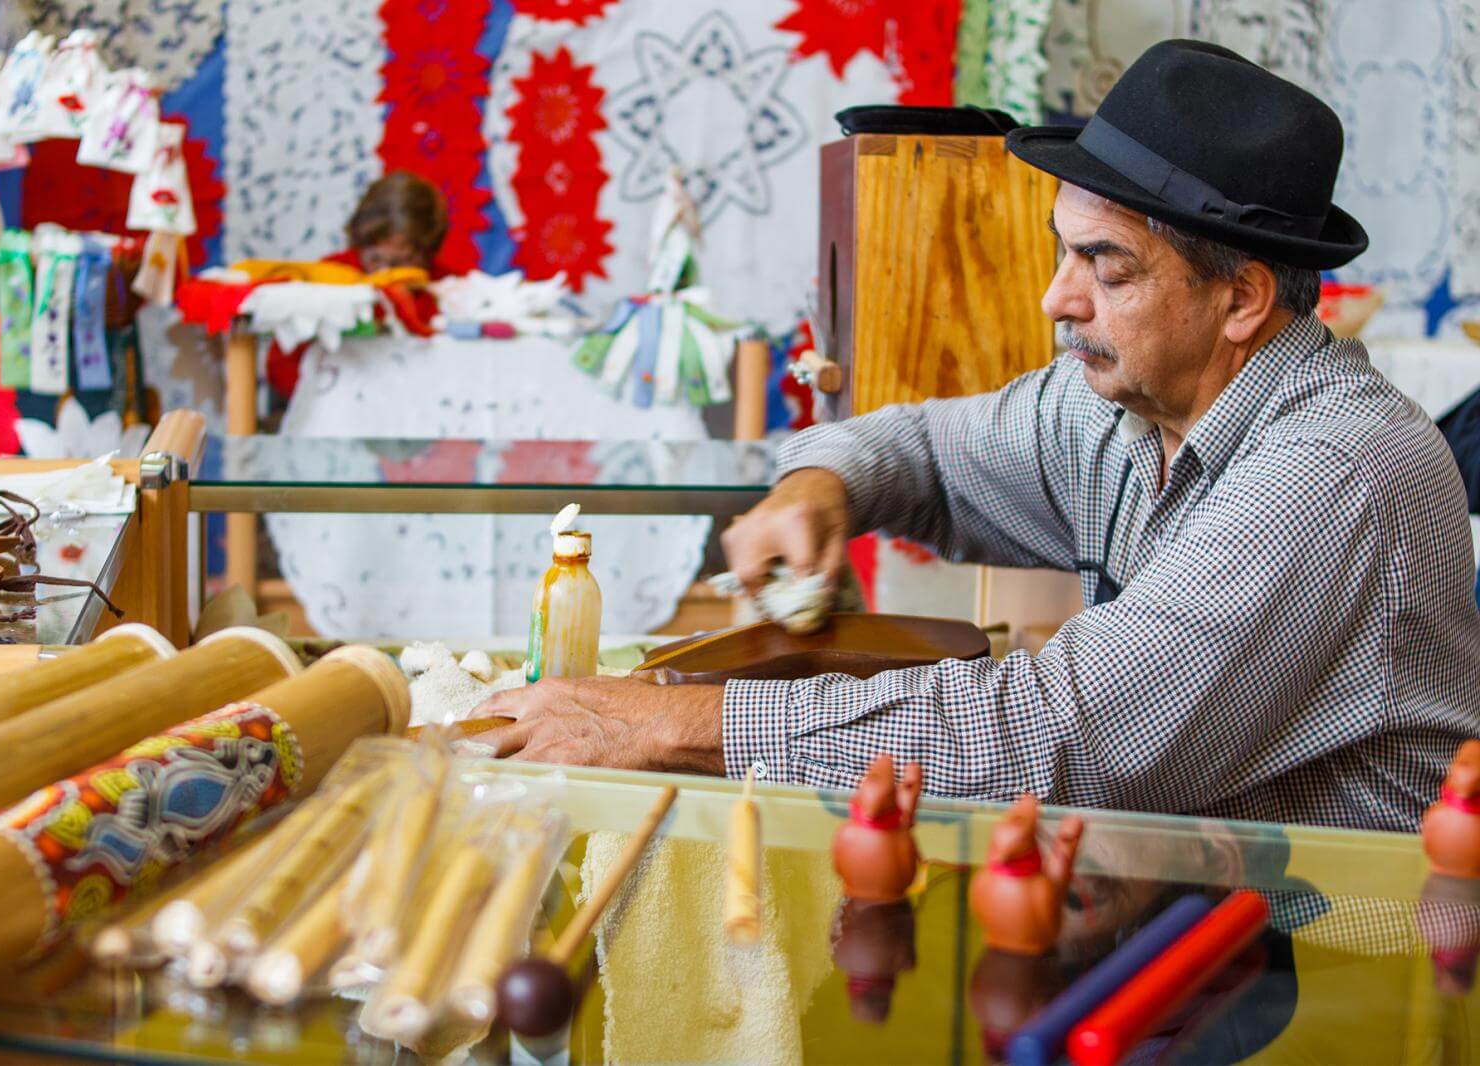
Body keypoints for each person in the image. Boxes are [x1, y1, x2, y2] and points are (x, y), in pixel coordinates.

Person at [476, 40, 1480, 831]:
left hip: (1347, 962)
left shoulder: (1332, 470)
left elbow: (1055, 737)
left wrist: (660, 723)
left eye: (1107, 267)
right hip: (1204, 912)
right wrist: (817, 489)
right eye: (1061, 252)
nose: (1056, 298)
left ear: (1241, 299)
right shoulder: (1122, 409)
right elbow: (915, 445)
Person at [266, 171, 449, 400]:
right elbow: (281, 364)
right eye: (375, 259)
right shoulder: (328, 279)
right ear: (358, 245)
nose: (386, 273)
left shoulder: (450, 290)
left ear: (429, 254)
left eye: (402, 262)